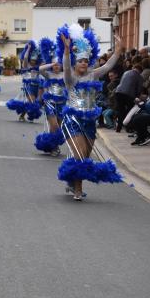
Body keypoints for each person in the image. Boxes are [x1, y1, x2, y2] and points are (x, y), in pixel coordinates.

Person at [58, 23, 123, 201]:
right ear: (75, 61)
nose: (84, 63)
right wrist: (66, 51)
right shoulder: (70, 78)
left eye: (86, 60)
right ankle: (78, 190)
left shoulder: (93, 74)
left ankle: (72, 181)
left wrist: (117, 51)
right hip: (72, 119)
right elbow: (65, 68)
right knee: (79, 155)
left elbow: (108, 66)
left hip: (89, 122)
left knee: (85, 157)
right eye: (80, 60)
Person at [35, 37, 66, 156]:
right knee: (54, 125)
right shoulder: (48, 74)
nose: (57, 66)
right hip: (50, 104)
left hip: (62, 104)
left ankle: (54, 145)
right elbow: (40, 69)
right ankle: (53, 146)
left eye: (59, 65)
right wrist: (51, 62)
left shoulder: (65, 74)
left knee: (57, 127)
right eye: (55, 65)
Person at [6, 41, 42, 120]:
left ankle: (25, 115)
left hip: (37, 86)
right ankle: (25, 115)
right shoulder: (26, 65)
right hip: (28, 86)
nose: (33, 61)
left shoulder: (38, 66)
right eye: (32, 59)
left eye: (34, 60)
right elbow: (25, 58)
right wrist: (28, 49)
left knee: (31, 102)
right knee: (30, 101)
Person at [114, 63, 144, 132]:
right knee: (130, 110)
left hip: (118, 92)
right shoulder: (139, 76)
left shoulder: (126, 72)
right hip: (129, 94)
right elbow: (139, 89)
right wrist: (137, 96)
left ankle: (118, 128)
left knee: (120, 110)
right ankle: (128, 127)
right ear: (140, 71)